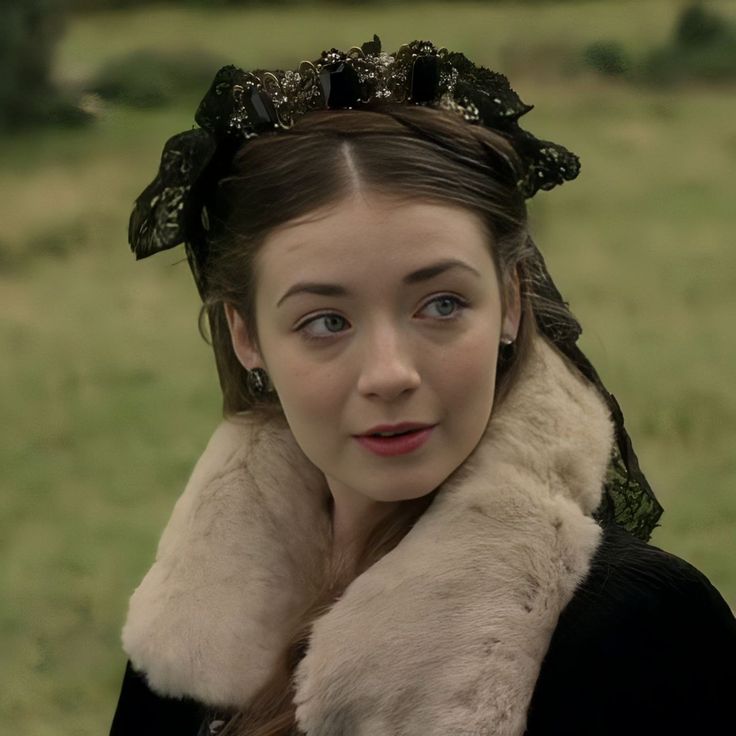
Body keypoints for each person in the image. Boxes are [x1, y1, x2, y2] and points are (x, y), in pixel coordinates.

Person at [109, 37, 736, 736]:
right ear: (246, 336)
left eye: (440, 305)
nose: (389, 374)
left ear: (511, 302)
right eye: (325, 321)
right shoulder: (195, 610)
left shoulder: (637, 626)